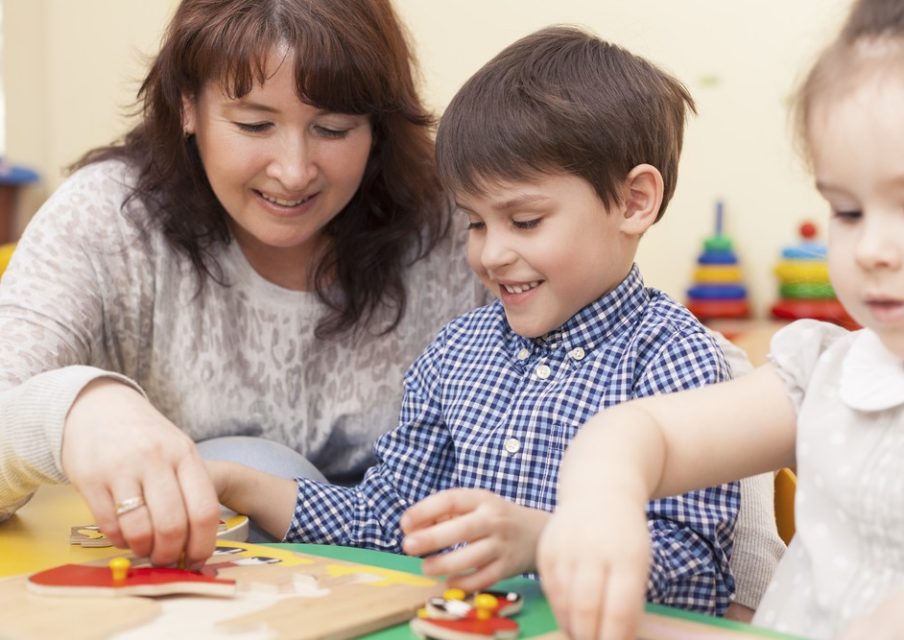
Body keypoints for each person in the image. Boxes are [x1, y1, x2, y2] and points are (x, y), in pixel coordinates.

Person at [208, 25, 756, 615]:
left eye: (523, 221)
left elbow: (697, 572)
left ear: (634, 202)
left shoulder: (673, 359)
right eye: (474, 223)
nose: (489, 254)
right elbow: (390, 519)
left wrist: (545, 543)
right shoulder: (455, 353)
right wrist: (239, 482)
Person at [0, 0, 486, 569]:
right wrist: (78, 410)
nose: (294, 170)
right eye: (255, 124)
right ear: (188, 106)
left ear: (377, 127)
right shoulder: (107, 222)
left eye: (333, 128)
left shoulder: (461, 229)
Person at [536, 1, 904, 638]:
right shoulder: (824, 374)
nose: (871, 248)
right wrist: (604, 501)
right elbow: (637, 430)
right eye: (847, 211)